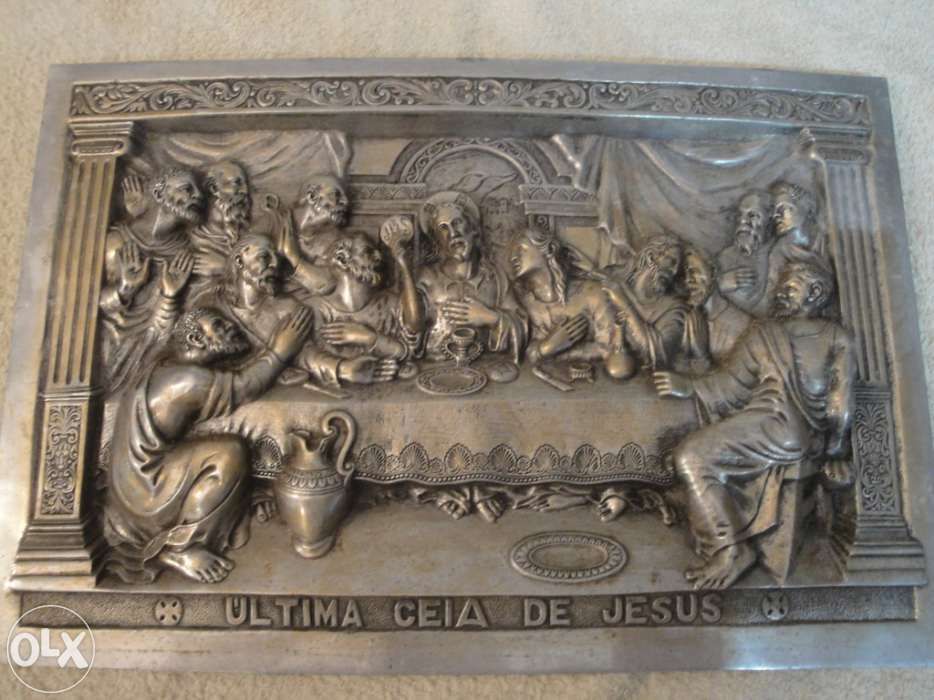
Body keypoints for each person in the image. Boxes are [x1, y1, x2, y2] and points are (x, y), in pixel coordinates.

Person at [653, 258, 855, 589]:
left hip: (776, 426)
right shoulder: (784, 333)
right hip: (784, 431)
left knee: (691, 456)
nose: (781, 292)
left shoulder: (786, 333)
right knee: (695, 452)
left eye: (790, 286)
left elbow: (731, 387)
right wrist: (833, 450)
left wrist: (689, 386)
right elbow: (840, 405)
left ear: (815, 292)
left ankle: (731, 550)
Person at [104, 306, 313, 584]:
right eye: (218, 325)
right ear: (196, 339)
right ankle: (180, 548)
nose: (231, 327)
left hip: (133, 485)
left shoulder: (164, 364)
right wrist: (280, 351)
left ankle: (236, 501)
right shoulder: (186, 380)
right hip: (147, 492)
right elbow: (244, 386)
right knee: (229, 453)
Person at [195, 234, 396, 387]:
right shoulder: (211, 303)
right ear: (240, 262)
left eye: (277, 258)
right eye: (264, 257)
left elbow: (304, 354)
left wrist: (342, 369)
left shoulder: (288, 308)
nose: (275, 264)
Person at [100, 168, 204, 393]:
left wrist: (170, 296)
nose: (198, 196)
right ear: (158, 194)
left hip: (156, 347)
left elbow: (171, 327)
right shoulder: (117, 241)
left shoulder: (184, 252)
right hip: (113, 344)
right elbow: (82, 306)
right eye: (187, 189)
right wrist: (124, 290)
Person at [416, 191, 527, 362]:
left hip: (487, 368)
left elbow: (521, 323)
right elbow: (409, 329)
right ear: (437, 241)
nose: (453, 233)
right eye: (443, 228)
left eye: (457, 222)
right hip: (435, 367)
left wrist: (492, 318)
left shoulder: (496, 278)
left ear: (474, 229)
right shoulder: (426, 278)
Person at [509, 226, 628, 377]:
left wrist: (555, 350)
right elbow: (519, 348)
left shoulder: (592, 293)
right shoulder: (522, 300)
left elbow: (607, 348)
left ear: (550, 249)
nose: (513, 257)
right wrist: (545, 348)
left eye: (521, 249)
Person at [311, 225, 421, 371]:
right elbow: (310, 359)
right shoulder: (317, 310)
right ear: (342, 260)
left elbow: (410, 349)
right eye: (367, 252)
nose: (379, 257)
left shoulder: (390, 303)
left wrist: (369, 338)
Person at [601, 234, 691, 377]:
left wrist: (624, 303)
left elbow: (659, 355)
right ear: (651, 257)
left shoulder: (674, 308)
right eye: (672, 262)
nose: (674, 272)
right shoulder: (611, 284)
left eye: (678, 267)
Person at [679, 246, 751, 374]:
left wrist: (701, 358)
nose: (687, 280)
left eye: (694, 271)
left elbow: (741, 379)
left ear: (712, 272)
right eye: (684, 275)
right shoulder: (683, 321)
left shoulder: (741, 326)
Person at [188, 161, 253, 279]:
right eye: (237, 183)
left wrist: (225, 267)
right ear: (214, 189)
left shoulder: (250, 235)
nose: (245, 191)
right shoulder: (194, 242)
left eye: (245, 184)